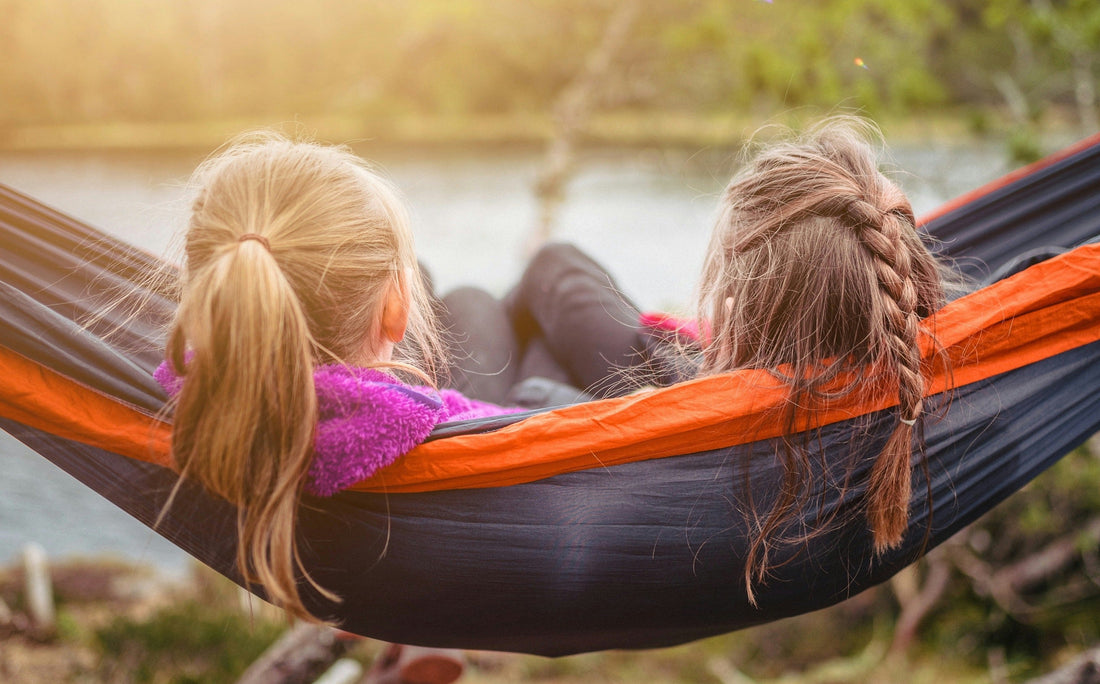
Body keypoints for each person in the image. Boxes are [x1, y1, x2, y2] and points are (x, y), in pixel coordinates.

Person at [469, 115, 957, 600]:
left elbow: (538, 398)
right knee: (539, 298)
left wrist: (715, 362)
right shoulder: (934, 378)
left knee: (489, 299)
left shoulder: (702, 453)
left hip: (679, 408)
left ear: (730, 316)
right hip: (718, 387)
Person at [153, 131, 520, 623]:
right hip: (513, 442)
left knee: (448, 287)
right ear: (397, 310)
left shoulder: (193, 398)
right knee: (530, 280)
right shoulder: (439, 422)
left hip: (371, 562)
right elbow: (544, 428)